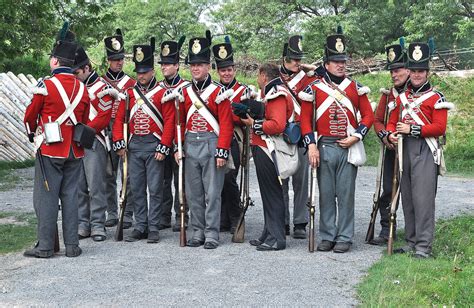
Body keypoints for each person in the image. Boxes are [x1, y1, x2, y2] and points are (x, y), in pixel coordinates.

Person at [299, 28, 374, 253]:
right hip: (324, 146)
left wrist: (357, 135)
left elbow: (368, 116)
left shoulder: (355, 87)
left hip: (347, 147)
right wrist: (311, 145)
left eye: (343, 61)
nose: (341, 65)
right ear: (327, 63)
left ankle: (344, 236)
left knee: (346, 194)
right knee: (326, 194)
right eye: (335, 61)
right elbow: (305, 120)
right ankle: (327, 235)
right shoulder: (314, 88)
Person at [23, 26, 90, 258]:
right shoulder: (83, 88)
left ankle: (44, 247)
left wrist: (33, 135)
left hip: (51, 149)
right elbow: (84, 118)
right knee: (71, 197)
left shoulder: (46, 86)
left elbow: (30, 116)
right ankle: (72, 246)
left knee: (47, 197)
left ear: (54, 61)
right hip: (75, 149)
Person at [387, 41, 452, 258]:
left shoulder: (436, 97)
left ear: (427, 72)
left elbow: (439, 127)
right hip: (404, 148)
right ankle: (411, 241)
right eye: (413, 70)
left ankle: (424, 246)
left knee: (423, 199)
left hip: (425, 148)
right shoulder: (402, 97)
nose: (416, 75)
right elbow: (393, 121)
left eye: (420, 71)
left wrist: (412, 129)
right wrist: (393, 133)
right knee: (407, 197)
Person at [112, 38, 175, 243]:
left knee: (156, 188)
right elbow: (119, 119)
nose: (141, 76)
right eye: (139, 72)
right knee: (137, 188)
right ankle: (140, 225)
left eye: (145, 72)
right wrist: (119, 142)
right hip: (134, 146)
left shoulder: (162, 93)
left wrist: (164, 145)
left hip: (154, 145)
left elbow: (169, 122)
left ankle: (154, 226)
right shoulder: (128, 94)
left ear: (152, 71)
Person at [174, 32, 233, 249]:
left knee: (212, 193)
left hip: (211, 143)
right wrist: (177, 147)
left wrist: (222, 151)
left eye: (200, 64)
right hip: (190, 143)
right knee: (193, 193)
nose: (196, 69)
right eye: (193, 65)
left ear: (208, 66)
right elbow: (178, 123)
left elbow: (226, 124)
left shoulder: (220, 92)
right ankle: (197, 232)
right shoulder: (184, 91)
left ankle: (211, 233)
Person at [240, 63, 293, 251]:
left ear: (263, 75)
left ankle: (277, 238)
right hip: (264, 148)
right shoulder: (273, 91)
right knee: (268, 194)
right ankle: (268, 233)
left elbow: (277, 125)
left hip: (268, 149)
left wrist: (253, 123)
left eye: (258, 75)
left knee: (273, 194)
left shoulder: (276, 93)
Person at [72, 46, 117, 241]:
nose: (74, 76)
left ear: (87, 68)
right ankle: (84, 223)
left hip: (93, 141)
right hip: (76, 141)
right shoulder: (74, 88)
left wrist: (82, 133)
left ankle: (98, 224)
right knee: (79, 185)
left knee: (96, 185)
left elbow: (103, 118)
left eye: (77, 72)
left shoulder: (103, 88)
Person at [369, 41, 410, 245]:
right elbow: (377, 120)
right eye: (392, 71)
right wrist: (385, 135)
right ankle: (386, 229)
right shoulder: (388, 95)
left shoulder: (417, 93)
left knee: (412, 193)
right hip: (391, 149)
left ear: (409, 69)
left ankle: (414, 233)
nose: (394, 75)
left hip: (412, 149)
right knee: (387, 190)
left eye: (398, 69)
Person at [212, 38, 253, 234]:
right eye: (222, 70)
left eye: (229, 69)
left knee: (229, 177)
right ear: (217, 71)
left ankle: (235, 215)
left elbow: (250, 117)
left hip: (236, 139)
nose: (226, 73)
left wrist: (241, 113)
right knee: (218, 178)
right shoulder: (212, 90)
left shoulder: (243, 90)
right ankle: (222, 218)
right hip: (216, 137)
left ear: (234, 70)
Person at [279, 35, 317, 239]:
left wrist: (308, 67)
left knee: (301, 181)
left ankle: (300, 221)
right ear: (284, 58)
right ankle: (283, 220)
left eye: (299, 59)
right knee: (282, 179)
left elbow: (325, 79)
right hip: (281, 133)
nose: (297, 62)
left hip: (302, 134)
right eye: (293, 59)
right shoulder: (275, 77)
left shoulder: (309, 78)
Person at [102, 29, 136, 229]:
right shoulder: (100, 82)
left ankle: (127, 212)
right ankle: (112, 212)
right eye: (115, 59)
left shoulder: (130, 84)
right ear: (108, 60)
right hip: (106, 131)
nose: (119, 62)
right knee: (108, 174)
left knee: (127, 175)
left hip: (125, 131)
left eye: (121, 59)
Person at [157, 36, 190, 232]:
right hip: (161, 140)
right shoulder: (159, 88)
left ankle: (181, 215)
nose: (164, 67)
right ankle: (163, 215)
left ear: (177, 65)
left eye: (168, 64)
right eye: (162, 64)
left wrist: (179, 143)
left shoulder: (186, 87)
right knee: (163, 180)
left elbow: (186, 118)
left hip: (179, 140)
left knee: (181, 180)